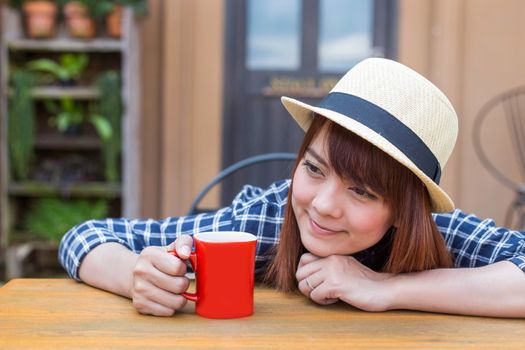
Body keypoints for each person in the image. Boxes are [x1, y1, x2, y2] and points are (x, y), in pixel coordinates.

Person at [59, 58, 525, 318]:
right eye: (315, 169)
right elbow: (84, 237)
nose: (321, 207)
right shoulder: (264, 219)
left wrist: (386, 288)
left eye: (362, 191)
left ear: (405, 210)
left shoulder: (439, 235)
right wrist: (138, 278)